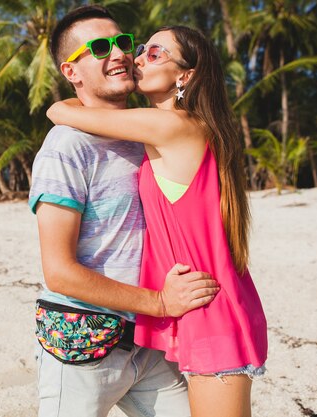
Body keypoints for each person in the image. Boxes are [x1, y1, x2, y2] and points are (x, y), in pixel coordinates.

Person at [47, 26, 268, 417]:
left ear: (185, 76)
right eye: (143, 49)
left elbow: (58, 111)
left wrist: (79, 85)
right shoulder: (167, 129)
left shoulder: (173, 126)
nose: (136, 57)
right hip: (200, 303)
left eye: (154, 54)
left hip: (207, 307)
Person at [28, 6, 221, 417]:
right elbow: (58, 271)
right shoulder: (66, 148)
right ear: (72, 72)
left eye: (121, 42)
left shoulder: (148, 135)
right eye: (99, 47)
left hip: (149, 343)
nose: (117, 53)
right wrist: (161, 303)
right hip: (84, 347)